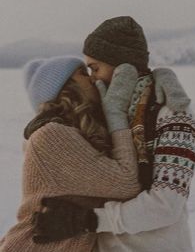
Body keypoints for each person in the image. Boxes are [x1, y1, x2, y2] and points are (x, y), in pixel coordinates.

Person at [33, 16, 195, 252]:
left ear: (122, 67)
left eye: (95, 67)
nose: (92, 78)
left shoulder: (174, 114)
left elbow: (167, 204)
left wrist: (90, 220)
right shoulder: (108, 110)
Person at [0, 56, 142, 252]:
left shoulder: (75, 134)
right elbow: (127, 183)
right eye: (84, 73)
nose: (94, 79)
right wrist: (115, 114)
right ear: (66, 89)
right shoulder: (53, 136)